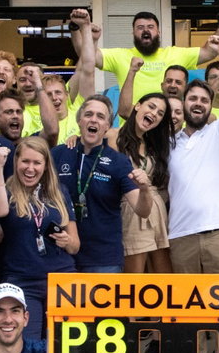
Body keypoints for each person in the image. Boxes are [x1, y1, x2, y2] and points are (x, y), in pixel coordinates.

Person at [43, 94, 150, 273]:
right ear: (79, 121)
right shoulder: (58, 154)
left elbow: (143, 210)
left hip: (103, 258)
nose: (94, 120)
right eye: (88, 114)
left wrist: (145, 189)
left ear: (108, 126)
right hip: (60, 254)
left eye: (100, 117)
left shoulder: (118, 161)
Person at [165, 37, 219, 275]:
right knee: (186, 309)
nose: (198, 104)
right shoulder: (167, 142)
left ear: (211, 106)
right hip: (180, 235)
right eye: (193, 99)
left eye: (204, 100)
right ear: (183, 103)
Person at [0, 136, 78, 326]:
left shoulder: (59, 191)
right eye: (25, 161)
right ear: (16, 162)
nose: (30, 168)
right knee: (28, 347)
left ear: (46, 165)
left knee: (66, 349)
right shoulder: (6, 189)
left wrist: (66, 240)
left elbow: (75, 246)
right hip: (23, 281)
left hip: (61, 280)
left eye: (37, 163)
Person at [89, 9, 219, 99]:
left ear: (159, 32)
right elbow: (90, 57)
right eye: (140, 28)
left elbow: (209, 52)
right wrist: (90, 37)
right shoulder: (120, 56)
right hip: (133, 133)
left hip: (169, 131)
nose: (146, 31)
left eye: (151, 27)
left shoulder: (175, 54)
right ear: (133, 33)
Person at [110, 90, 173, 273]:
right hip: (131, 209)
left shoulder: (154, 144)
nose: (154, 113)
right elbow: (87, 143)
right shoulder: (113, 136)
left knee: (164, 277)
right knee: (134, 279)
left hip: (157, 210)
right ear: (137, 106)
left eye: (160, 113)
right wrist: (74, 138)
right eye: (151, 107)